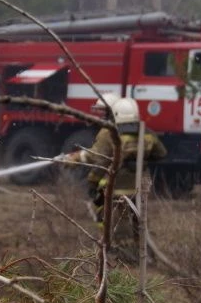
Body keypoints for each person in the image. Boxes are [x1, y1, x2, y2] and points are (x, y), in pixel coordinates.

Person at [58, 96, 167, 254]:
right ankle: (141, 251)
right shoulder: (146, 132)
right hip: (140, 188)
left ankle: (113, 249)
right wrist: (140, 157)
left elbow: (98, 158)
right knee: (138, 221)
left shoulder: (109, 133)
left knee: (109, 219)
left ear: (115, 113)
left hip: (116, 188)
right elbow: (161, 153)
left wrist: (86, 174)